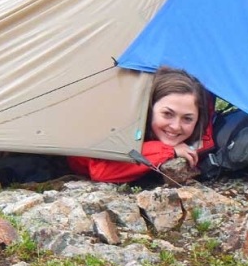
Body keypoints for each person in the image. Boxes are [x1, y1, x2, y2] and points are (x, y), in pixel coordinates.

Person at [68, 66, 214, 183]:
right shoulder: (122, 122)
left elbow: (206, 142)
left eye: (187, 119)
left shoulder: (201, 132)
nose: (176, 126)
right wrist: (168, 151)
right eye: (167, 114)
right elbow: (101, 170)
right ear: (149, 109)